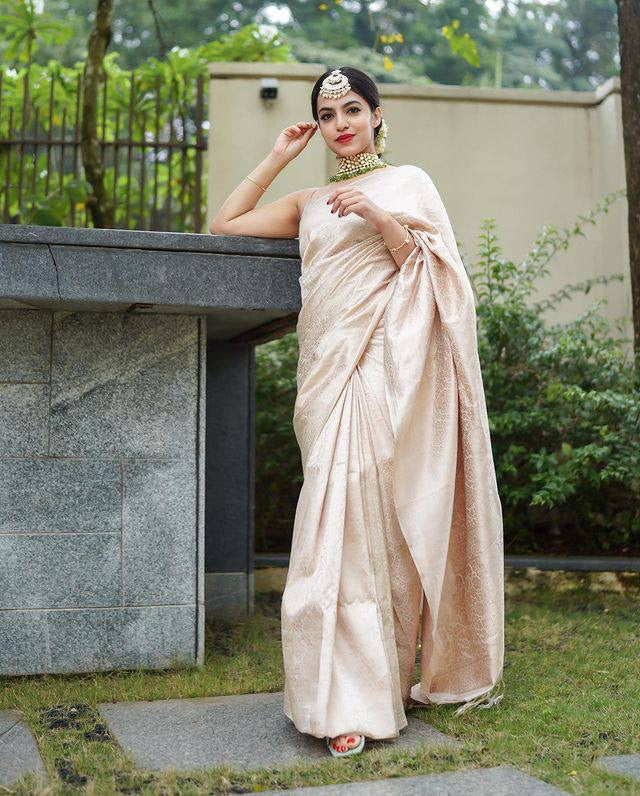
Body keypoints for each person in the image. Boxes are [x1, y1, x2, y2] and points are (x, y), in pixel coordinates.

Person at [209, 66, 505, 758]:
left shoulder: (409, 185)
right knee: (331, 528)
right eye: (328, 113)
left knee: (364, 533)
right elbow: (224, 225)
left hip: (380, 378)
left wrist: (379, 217)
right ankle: (343, 685)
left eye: (351, 109)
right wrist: (278, 155)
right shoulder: (309, 199)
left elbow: (431, 274)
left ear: (376, 115)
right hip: (324, 383)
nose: (340, 123)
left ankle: (360, 699)